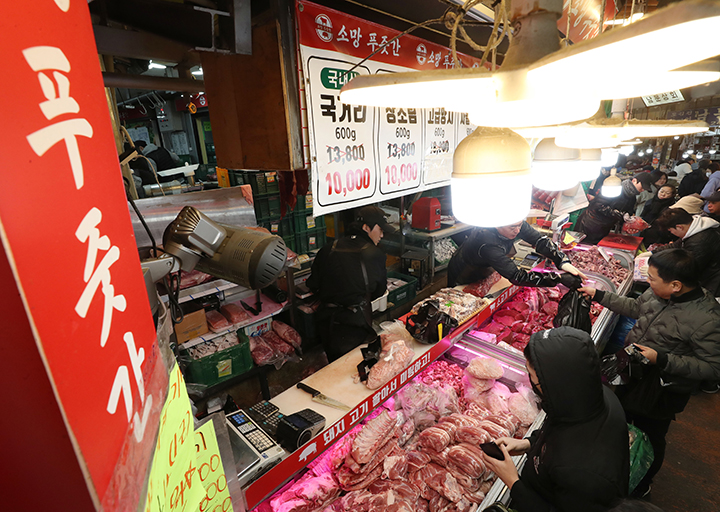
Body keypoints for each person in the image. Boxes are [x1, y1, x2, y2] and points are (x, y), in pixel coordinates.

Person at [579, 249, 720, 497]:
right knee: (618, 420)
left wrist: (662, 358)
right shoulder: (656, 293)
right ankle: (611, 470)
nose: (648, 281)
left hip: (662, 389)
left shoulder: (707, 319)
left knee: (650, 435)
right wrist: (599, 294)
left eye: (653, 278)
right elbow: (635, 307)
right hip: (632, 371)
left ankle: (641, 486)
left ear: (675, 285)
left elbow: (712, 367)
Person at [482, 327, 630, 512]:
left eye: (533, 377)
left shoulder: (584, 473)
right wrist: (528, 443)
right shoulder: (591, 397)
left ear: (553, 383)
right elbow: (557, 428)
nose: (530, 382)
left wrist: (513, 482)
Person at [307, 205, 394, 362]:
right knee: (356, 367)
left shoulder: (327, 249)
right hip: (355, 323)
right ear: (366, 227)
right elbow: (379, 291)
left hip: (327, 323)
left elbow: (313, 284)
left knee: (335, 365)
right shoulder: (376, 254)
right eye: (380, 229)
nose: (382, 234)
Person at [446, 220, 586, 289]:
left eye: (520, 225)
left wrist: (562, 260)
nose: (518, 231)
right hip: (465, 269)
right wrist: (557, 279)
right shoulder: (488, 242)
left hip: (487, 264)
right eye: (513, 227)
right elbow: (517, 277)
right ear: (496, 224)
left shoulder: (514, 221)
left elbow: (539, 240)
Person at [654, 208, 720, 296]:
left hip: (711, 282)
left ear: (679, 227)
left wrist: (659, 269)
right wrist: (653, 253)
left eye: (670, 231)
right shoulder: (694, 228)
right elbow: (676, 245)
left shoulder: (699, 241)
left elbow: (688, 269)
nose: (672, 233)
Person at [575, 172, 654, 244]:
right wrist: (620, 215)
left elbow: (628, 211)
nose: (643, 190)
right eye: (642, 186)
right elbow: (599, 206)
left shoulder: (632, 197)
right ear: (634, 180)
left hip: (604, 228)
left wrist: (629, 221)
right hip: (589, 225)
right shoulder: (612, 187)